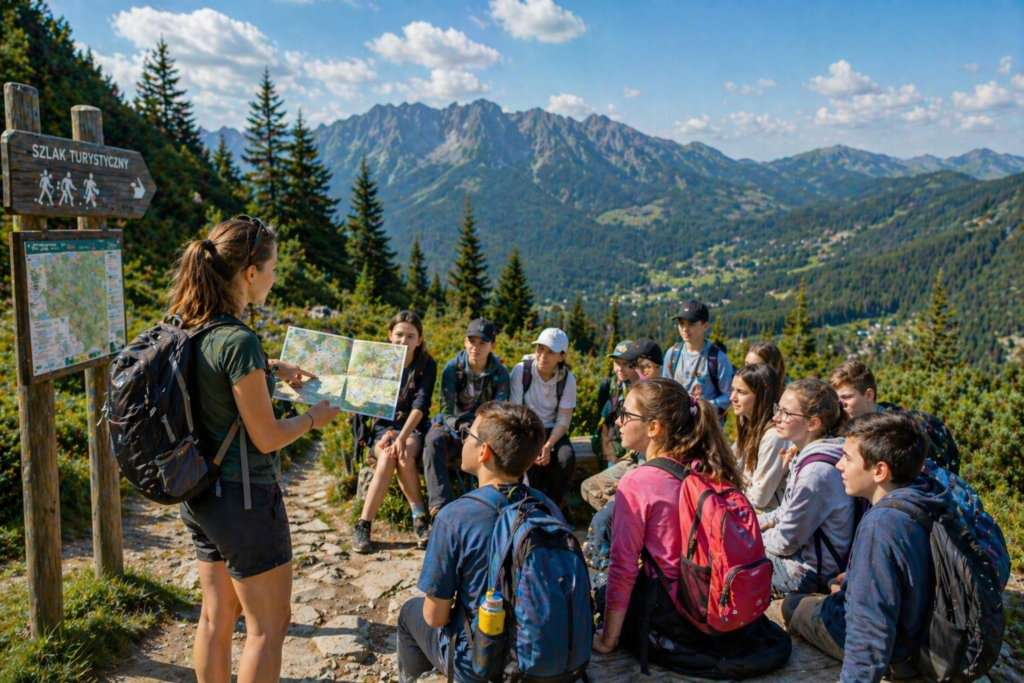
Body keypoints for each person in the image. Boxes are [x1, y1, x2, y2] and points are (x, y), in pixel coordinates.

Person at [168, 216, 341, 683]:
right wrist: (313, 418)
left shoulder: (194, 323)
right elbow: (266, 437)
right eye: (272, 267)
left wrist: (270, 368)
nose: (274, 276)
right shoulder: (239, 339)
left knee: (215, 616)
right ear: (249, 272)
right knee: (268, 626)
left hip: (201, 492)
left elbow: (216, 374)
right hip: (245, 499)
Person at [592, 379, 790, 677]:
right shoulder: (709, 466)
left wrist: (609, 640)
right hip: (718, 602)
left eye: (626, 413)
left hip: (676, 615)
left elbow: (623, 568)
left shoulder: (637, 482)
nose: (618, 420)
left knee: (602, 590)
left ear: (653, 428)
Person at [783, 411, 951, 683]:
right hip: (922, 624)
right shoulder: (926, 492)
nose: (839, 465)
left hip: (900, 650)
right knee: (836, 586)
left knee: (793, 605)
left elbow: (868, 629)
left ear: (880, 471)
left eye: (848, 458)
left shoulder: (880, 525)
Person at [397, 402, 559, 683]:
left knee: (410, 613)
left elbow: (434, 617)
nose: (464, 441)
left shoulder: (454, 517)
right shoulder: (547, 507)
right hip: (541, 656)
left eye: (468, 435)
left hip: (478, 665)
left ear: (483, 451)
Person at [758, 379, 854, 597]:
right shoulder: (811, 453)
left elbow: (786, 542)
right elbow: (784, 513)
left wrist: (750, 536)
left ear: (813, 424)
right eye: (777, 409)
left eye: (785, 413)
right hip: (803, 557)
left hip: (807, 572)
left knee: (728, 556)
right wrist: (751, 524)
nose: (776, 418)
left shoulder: (816, 473)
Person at [352, 311, 438, 554]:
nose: (404, 341)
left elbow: (420, 406)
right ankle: (364, 524)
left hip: (412, 428)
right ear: (390, 336)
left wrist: (400, 437)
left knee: (403, 452)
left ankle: (419, 518)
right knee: (389, 455)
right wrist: (388, 434)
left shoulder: (426, 365)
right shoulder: (376, 362)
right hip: (381, 428)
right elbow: (364, 401)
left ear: (419, 340)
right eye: (399, 334)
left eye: (411, 336)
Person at [423, 318, 510, 516]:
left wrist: (477, 432)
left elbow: (496, 413)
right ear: (465, 341)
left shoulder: (501, 374)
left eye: (483, 343)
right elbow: (446, 410)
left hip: (483, 433)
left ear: (492, 346)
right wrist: (460, 425)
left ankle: (489, 509)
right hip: (454, 428)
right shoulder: (452, 369)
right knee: (433, 440)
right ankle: (439, 510)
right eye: (472, 341)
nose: (475, 347)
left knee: (498, 449)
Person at [510, 328, 577, 508]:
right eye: (540, 348)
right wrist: (535, 441)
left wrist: (548, 445)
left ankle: (552, 505)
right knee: (529, 465)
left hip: (552, 430)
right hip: (526, 428)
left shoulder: (567, 380)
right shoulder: (521, 371)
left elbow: (563, 420)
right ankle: (528, 505)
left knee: (566, 458)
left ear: (562, 357)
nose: (542, 356)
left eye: (550, 352)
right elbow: (515, 412)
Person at [731, 363, 790, 513]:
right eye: (733, 390)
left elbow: (759, 498)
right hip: (746, 508)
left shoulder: (773, 436)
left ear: (761, 395)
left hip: (765, 520)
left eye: (741, 392)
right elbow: (730, 465)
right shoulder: (749, 426)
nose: (732, 397)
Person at [662, 300, 733, 417]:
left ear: (705, 326)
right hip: (680, 426)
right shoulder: (672, 354)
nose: (685, 329)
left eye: (691, 324)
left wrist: (701, 408)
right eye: (681, 323)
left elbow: (728, 395)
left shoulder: (718, 358)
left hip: (708, 428)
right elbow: (666, 389)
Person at [591, 339, 638, 469]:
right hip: (613, 439)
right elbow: (603, 420)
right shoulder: (608, 386)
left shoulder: (643, 388)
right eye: (617, 363)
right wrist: (607, 444)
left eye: (626, 364)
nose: (620, 369)